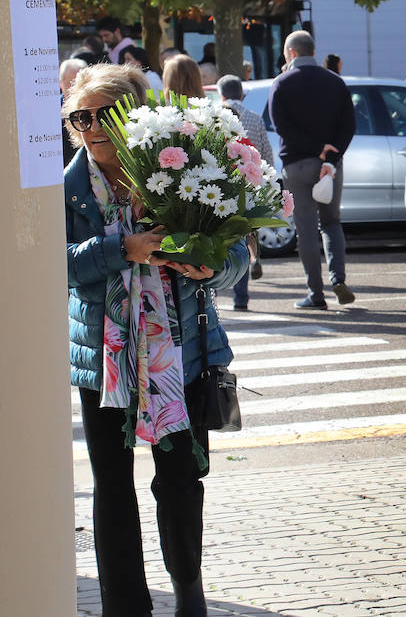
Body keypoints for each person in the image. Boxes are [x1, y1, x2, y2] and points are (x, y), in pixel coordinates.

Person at [64, 63, 248, 617]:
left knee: (180, 481)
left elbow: (236, 255)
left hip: (180, 355)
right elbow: (56, 265)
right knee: (112, 488)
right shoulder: (67, 188)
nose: (93, 127)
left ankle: (189, 594)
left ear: (134, 115)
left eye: (104, 115)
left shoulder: (180, 171)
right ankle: (126, 607)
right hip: (106, 362)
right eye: (81, 117)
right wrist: (123, 248)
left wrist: (206, 267)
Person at [269, 30, 357, 309]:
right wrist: (331, 153)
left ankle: (315, 294)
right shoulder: (335, 82)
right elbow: (349, 124)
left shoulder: (281, 83)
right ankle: (338, 278)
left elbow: (281, 126)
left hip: (297, 164)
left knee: (306, 229)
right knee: (332, 223)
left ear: (292, 52)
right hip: (330, 166)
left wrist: (313, 146)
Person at [218, 74, 276, 307]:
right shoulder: (254, 118)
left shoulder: (216, 113)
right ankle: (243, 291)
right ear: (242, 94)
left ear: (221, 94)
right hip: (248, 180)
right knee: (245, 231)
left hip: (221, 182)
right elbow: (265, 152)